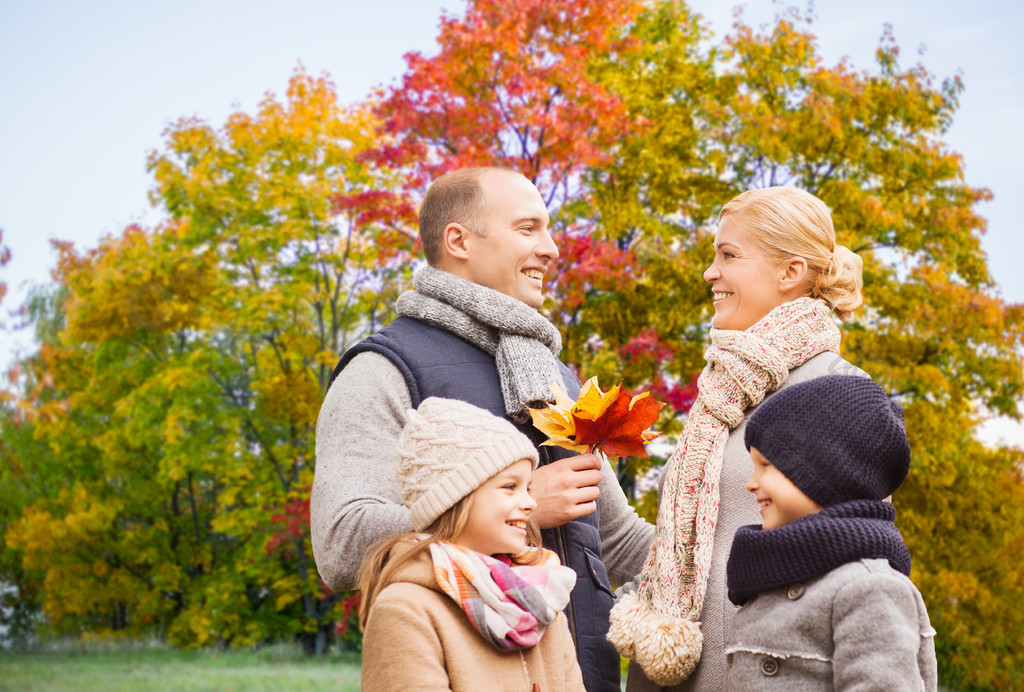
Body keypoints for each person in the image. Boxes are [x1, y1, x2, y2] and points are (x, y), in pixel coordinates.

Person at [311, 166, 653, 691]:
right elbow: (340, 543)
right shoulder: (381, 370)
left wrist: (755, 555)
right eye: (528, 228)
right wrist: (520, 505)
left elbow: (620, 542)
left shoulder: (555, 377)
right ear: (458, 241)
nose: (552, 248)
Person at [608, 186, 869, 690]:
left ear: (790, 273)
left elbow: (857, 571)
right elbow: (691, 556)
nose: (711, 273)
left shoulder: (838, 391)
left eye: (728, 255)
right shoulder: (726, 392)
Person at [723, 374, 937, 689]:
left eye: (766, 464)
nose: (751, 482)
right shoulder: (771, 576)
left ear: (826, 469)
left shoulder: (869, 587)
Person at [359, 397, 586, 691]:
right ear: (456, 498)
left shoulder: (540, 598)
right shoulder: (405, 610)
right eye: (510, 487)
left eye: (527, 488)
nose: (530, 503)